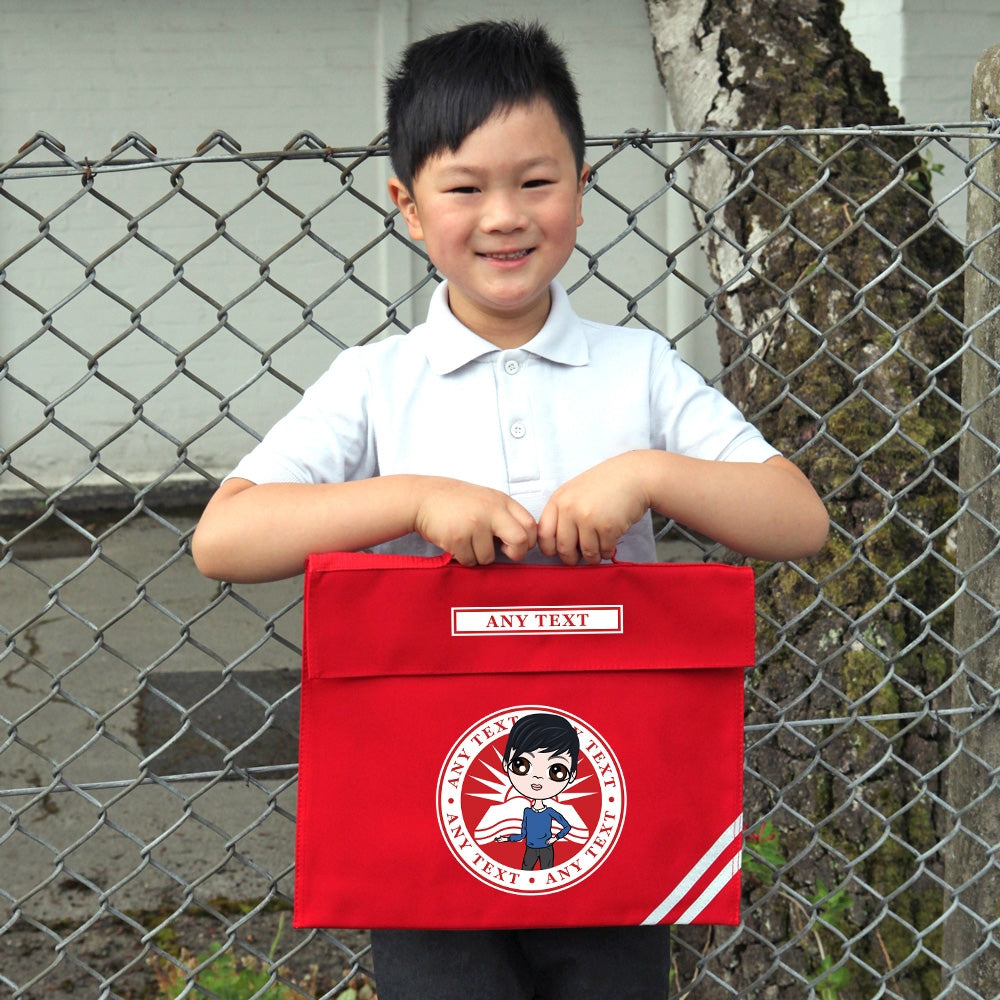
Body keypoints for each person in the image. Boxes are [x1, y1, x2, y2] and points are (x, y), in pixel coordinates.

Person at [191, 18, 829, 1000]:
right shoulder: (376, 383)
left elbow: (797, 519)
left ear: (581, 183)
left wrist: (649, 475)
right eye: (464, 187)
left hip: (615, 814)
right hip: (422, 818)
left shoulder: (639, 368)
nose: (504, 216)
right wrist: (407, 497)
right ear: (406, 205)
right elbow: (224, 538)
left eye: (536, 182)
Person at [494, 713, 580, 870]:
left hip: (547, 849)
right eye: (522, 765)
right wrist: (506, 839)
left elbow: (566, 826)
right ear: (506, 764)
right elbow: (522, 835)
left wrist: (555, 838)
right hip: (530, 849)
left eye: (556, 770)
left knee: (547, 875)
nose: (538, 777)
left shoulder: (550, 812)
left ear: (572, 775)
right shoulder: (527, 812)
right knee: (525, 874)